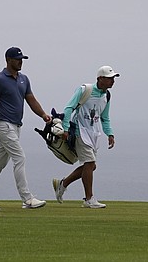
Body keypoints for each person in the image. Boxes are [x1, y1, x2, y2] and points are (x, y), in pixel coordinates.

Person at [0, 46, 51, 208]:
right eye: (17, 59)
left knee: (0, 163)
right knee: (20, 157)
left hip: (16, 126)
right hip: (3, 125)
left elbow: (31, 100)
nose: (20, 62)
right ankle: (27, 198)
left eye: (22, 59)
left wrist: (44, 115)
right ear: (8, 60)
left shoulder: (24, 79)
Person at [52, 65, 119, 208]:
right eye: (109, 78)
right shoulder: (85, 90)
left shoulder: (106, 95)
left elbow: (105, 118)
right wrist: (65, 128)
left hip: (94, 133)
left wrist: (110, 133)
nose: (112, 81)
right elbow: (69, 108)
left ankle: (63, 184)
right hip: (80, 132)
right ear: (100, 78)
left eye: (113, 78)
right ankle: (89, 199)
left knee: (91, 165)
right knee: (89, 163)